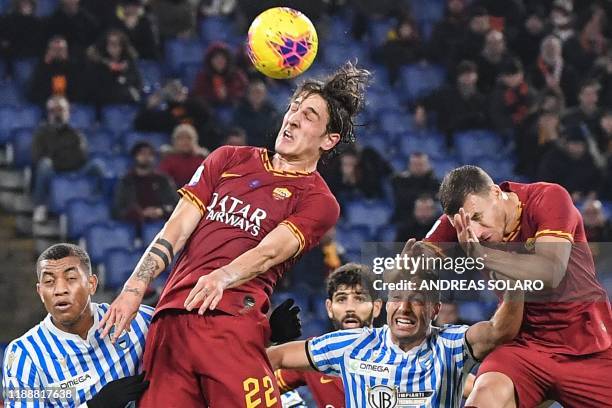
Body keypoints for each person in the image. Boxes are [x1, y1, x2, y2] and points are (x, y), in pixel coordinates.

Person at [99, 62, 370, 406]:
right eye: (294, 107)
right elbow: (177, 227)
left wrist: (222, 278)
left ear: (329, 140)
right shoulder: (228, 159)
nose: (293, 117)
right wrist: (134, 288)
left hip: (231, 325)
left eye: (309, 115)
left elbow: (271, 251)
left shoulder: (319, 200)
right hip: (172, 323)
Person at [424, 165, 612, 407]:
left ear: (494, 192)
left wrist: (483, 256)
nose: (477, 232)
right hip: (524, 347)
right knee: (483, 400)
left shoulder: (549, 198)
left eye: (479, 218)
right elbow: (411, 262)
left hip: (587, 345)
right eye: (469, 225)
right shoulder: (462, 220)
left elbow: (550, 271)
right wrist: (411, 266)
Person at [267, 240, 524, 408]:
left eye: (417, 300)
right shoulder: (351, 344)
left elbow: (499, 330)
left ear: (435, 310)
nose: (404, 308)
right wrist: (267, 334)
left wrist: (514, 280)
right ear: (387, 305)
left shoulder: (450, 344)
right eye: (397, 298)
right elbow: (271, 358)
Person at [1, 243, 151, 407]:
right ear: (40, 292)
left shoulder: (139, 320)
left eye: (71, 278)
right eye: (49, 281)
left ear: (92, 284)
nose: (60, 290)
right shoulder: (24, 354)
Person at [276, 263, 382, 408]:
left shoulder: (403, 354)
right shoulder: (310, 354)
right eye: (341, 299)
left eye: (359, 299)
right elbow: (258, 384)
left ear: (376, 308)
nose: (350, 308)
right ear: (329, 308)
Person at [31, 96, 101, 223]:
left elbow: (81, 157)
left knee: (96, 165)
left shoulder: (76, 134)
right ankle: (40, 206)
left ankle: (98, 204)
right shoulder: (41, 134)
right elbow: (37, 156)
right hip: (54, 171)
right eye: (53, 110)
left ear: (67, 112)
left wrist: (58, 156)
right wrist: (62, 158)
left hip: (76, 169)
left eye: (61, 110)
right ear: (48, 113)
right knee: (44, 165)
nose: (57, 114)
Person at [133, 79, 218, 148]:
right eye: (171, 90)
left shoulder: (194, 106)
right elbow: (140, 124)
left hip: (200, 147)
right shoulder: (166, 115)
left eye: (177, 89)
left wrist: (184, 100)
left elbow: (206, 113)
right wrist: (149, 107)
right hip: (178, 151)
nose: (175, 93)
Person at [112, 142, 178, 225]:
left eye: (150, 154)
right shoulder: (126, 181)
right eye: (142, 153)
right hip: (133, 225)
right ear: (135, 156)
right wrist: (139, 213)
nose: (146, 157)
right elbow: (118, 208)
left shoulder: (163, 180)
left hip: (161, 225)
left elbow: (175, 204)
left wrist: (161, 211)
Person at [86, 29, 142, 105]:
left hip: (128, 104)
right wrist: (108, 67)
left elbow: (137, 86)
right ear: (106, 45)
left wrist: (123, 76)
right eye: (111, 44)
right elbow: (97, 91)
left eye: (118, 44)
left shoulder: (129, 64)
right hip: (108, 105)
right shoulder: (98, 65)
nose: (115, 48)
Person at [27, 36, 85, 105]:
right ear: (49, 51)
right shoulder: (40, 67)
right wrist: (45, 66)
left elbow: (80, 91)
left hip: (70, 105)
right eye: (55, 49)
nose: (58, 52)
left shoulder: (74, 68)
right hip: (45, 105)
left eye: (61, 49)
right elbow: (33, 92)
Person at [192, 42, 248, 107]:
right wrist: (215, 95)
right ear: (210, 60)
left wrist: (228, 93)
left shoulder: (237, 75)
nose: (219, 61)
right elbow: (199, 96)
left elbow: (244, 92)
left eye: (222, 58)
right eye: (216, 58)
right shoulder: (202, 77)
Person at [232, 78, 281, 148]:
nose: (257, 95)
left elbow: (274, 133)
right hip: (246, 148)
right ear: (248, 94)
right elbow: (238, 132)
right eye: (254, 92)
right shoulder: (240, 111)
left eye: (259, 92)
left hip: (267, 149)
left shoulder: (272, 112)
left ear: (265, 95)